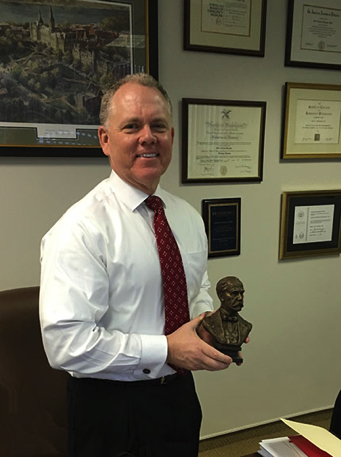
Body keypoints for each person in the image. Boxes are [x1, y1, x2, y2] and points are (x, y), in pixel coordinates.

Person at [39, 74, 239, 457]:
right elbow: (66, 345)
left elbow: (195, 288)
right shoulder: (80, 229)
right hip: (110, 410)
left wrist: (209, 326)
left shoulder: (186, 217)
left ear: (172, 137)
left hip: (179, 399)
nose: (148, 136)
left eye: (158, 125)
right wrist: (165, 350)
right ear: (105, 139)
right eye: (132, 126)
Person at [201, 276, 252, 362]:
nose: (240, 298)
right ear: (221, 297)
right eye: (234, 293)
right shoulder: (208, 322)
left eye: (241, 293)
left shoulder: (246, 326)